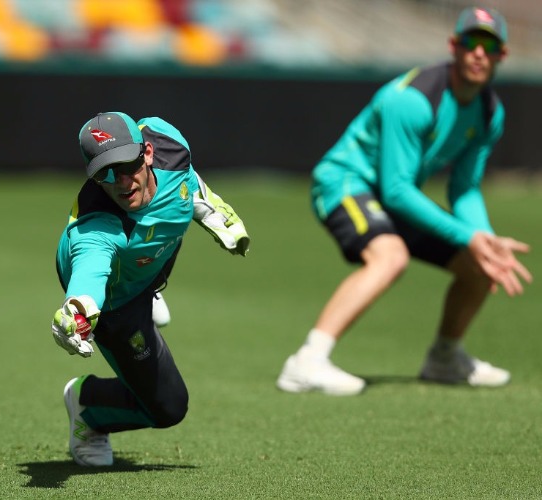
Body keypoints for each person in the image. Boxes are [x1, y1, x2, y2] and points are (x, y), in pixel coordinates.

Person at [276, 6, 532, 396]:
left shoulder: (489, 112)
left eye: (490, 46)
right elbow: (396, 190)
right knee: (390, 256)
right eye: (471, 42)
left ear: (502, 56)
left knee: (482, 264)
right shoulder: (412, 100)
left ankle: (444, 359)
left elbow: (464, 188)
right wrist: (469, 236)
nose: (479, 52)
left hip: (392, 195)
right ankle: (306, 362)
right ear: (454, 46)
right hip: (345, 183)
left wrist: (484, 238)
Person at [52, 111, 250, 466]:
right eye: (104, 173)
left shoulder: (168, 142)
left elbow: (188, 178)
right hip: (117, 297)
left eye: (126, 164)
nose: (121, 182)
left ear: (146, 152)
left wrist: (207, 208)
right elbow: (89, 274)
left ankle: (153, 288)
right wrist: (79, 310)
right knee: (168, 408)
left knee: (157, 239)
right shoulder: (96, 225)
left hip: (146, 265)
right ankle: (88, 405)